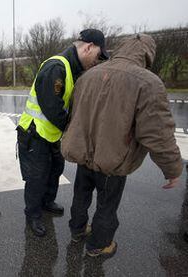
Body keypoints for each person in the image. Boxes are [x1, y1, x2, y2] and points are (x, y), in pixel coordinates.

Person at [62, 34, 183, 258]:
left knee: (81, 195)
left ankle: (77, 230)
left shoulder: (89, 75)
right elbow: (157, 133)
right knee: (106, 205)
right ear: (148, 54)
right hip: (113, 159)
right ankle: (99, 244)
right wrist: (172, 169)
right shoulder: (148, 82)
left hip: (83, 153)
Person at [17, 29, 109, 237]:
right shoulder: (56, 67)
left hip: (51, 134)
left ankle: (47, 202)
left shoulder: (72, 68)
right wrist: (75, 129)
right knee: (37, 178)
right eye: (98, 55)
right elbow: (53, 107)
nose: (98, 61)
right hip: (35, 133)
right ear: (88, 47)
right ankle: (33, 214)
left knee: (55, 170)